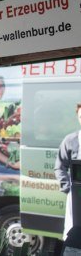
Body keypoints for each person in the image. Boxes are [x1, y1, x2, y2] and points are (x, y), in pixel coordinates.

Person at [55, 103, 81, 240]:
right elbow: (59, 166)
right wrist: (68, 189)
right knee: (74, 232)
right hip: (77, 195)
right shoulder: (70, 140)